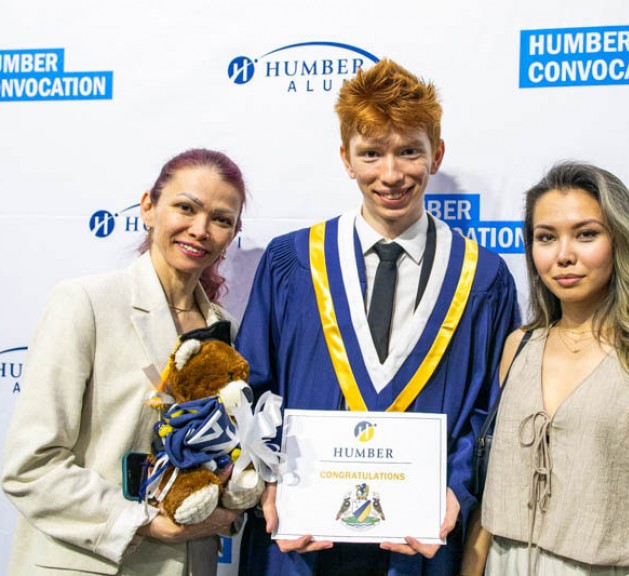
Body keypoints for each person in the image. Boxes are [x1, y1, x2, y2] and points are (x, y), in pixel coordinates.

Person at [235, 59, 520, 575]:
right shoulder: (292, 264)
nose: (391, 174)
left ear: (437, 154)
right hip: (301, 546)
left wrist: (456, 490)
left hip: (421, 545)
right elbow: (251, 392)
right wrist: (267, 478)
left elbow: (491, 413)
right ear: (346, 159)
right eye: (371, 154)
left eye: (409, 151)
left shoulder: (484, 279)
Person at [2, 148, 250, 575]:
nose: (200, 229)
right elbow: (30, 465)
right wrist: (143, 522)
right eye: (185, 208)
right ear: (149, 208)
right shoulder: (86, 303)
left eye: (221, 219)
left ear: (232, 233)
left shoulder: (224, 329)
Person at [465, 162, 629, 575]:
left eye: (586, 234)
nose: (564, 255)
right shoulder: (519, 346)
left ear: (620, 240)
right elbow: (492, 496)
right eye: (546, 237)